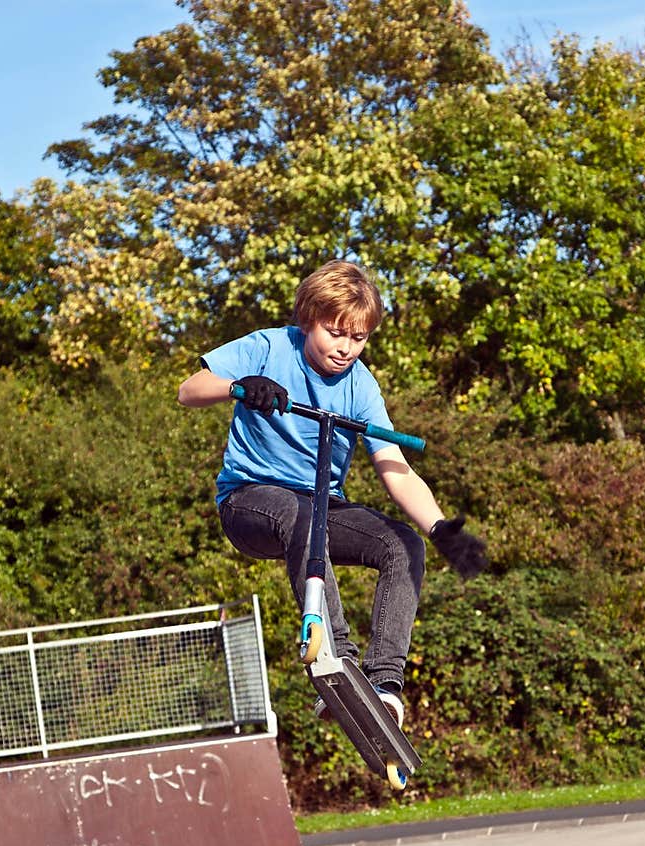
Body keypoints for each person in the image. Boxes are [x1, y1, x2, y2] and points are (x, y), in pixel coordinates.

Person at [177, 259, 486, 728]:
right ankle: (337, 661)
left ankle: (382, 686)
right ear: (308, 319)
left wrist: (440, 527)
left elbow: (394, 468)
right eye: (334, 333)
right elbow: (189, 390)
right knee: (299, 512)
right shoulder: (269, 346)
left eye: (358, 338)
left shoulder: (361, 386)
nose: (345, 349)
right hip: (249, 502)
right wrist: (238, 387)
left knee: (403, 545)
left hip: (320, 507)